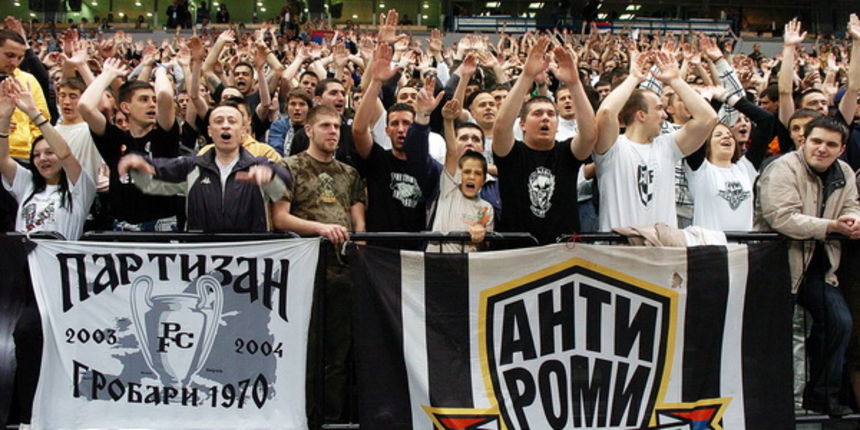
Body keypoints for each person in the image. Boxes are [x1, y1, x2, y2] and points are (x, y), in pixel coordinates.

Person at [756, 115, 860, 417]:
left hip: (819, 265)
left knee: (840, 324)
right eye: (816, 141)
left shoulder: (844, 172)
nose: (822, 149)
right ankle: (767, 406)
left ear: (841, 149)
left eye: (830, 144)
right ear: (803, 140)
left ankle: (820, 397)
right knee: (772, 339)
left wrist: (854, 218)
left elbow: (851, 203)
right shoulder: (781, 167)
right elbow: (782, 217)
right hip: (776, 265)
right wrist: (832, 226)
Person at [272, 104, 365, 427]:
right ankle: (302, 419)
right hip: (304, 273)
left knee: (338, 356)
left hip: (342, 273)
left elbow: (359, 223)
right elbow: (279, 218)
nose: (333, 132)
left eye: (337, 126)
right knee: (305, 353)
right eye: (325, 126)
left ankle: (332, 420)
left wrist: (359, 243)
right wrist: (321, 229)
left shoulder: (349, 173)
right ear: (308, 130)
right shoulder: (289, 167)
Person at [117, 102, 290, 232]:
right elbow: (154, 177)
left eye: (232, 121)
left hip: (251, 256)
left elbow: (285, 183)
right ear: (209, 131)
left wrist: (271, 177)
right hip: (202, 259)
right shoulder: (191, 166)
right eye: (219, 121)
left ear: (243, 130)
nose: (225, 125)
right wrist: (138, 164)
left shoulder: (260, 163)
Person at [594, 50, 718, 231]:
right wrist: (633, 78)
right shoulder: (613, 147)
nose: (664, 114)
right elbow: (606, 113)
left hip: (662, 251)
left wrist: (676, 80)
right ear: (641, 115)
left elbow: (708, 118)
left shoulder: (668, 146)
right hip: (619, 251)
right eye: (659, 108)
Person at [491, 37, 597, 245]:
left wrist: (574, 84)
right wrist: (526, 76)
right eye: (537, 114)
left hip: (563, 251)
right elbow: (501, 127)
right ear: (522, 124)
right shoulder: (512, 153)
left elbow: (590, 135)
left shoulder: (567, 153)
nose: (546, 118)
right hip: (516, 251)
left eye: (551, 114)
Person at [352, 43, 444, 249]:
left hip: (416, 254)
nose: (401, 129)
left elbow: (418, 153)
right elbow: (358, 130)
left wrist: (422, 116)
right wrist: (375, 82)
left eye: (407, 123)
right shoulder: (378, 158)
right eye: (394, 123)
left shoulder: (429, 167)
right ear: (386, 131)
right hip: (379, 251)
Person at [78, 57, 181, 231]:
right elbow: (85, 106)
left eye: (153, 100)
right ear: (125, 107)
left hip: (160, 228)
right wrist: (107, 74)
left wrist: (161, 70)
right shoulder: (116, 139)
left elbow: (165, 95)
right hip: (122, 228)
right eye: (143, 99)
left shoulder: (163, 136)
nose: (152, 104)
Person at [0, 77, 95, 240]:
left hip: (59, 263)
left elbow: (65, 154)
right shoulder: (27, 183)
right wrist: (5, 117)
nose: (42, 158)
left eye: (49, 153)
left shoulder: (80, 188)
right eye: (36, 155)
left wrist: (33, 112)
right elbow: (2, 159)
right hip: (24, 263)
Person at [430, 98, 493, 253]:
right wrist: (448, 121)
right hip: (436, 263)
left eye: (478, 173)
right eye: (466, 172)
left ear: (484, 180)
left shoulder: (487, 208)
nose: (471, 177)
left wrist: (481, 231)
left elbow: (489, 245)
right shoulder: (449, 188)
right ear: (458, 175)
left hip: (469, 269)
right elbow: (452, 152)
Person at [683, 123, 757, 230]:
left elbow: (766, 120)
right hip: (710, 245)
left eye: (730, 135)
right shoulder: (701, 170)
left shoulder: (745, 169)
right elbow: (698, 127)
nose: (726, 137)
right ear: (707, 143)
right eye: (718, 135)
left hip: (743, 245)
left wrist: (735, 105)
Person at [0, 29, 50, 161]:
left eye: (20, 57)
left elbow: (42, 118)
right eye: (9, 55)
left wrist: (33, 146)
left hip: (24, 156)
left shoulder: (28, 80)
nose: (15, 62)